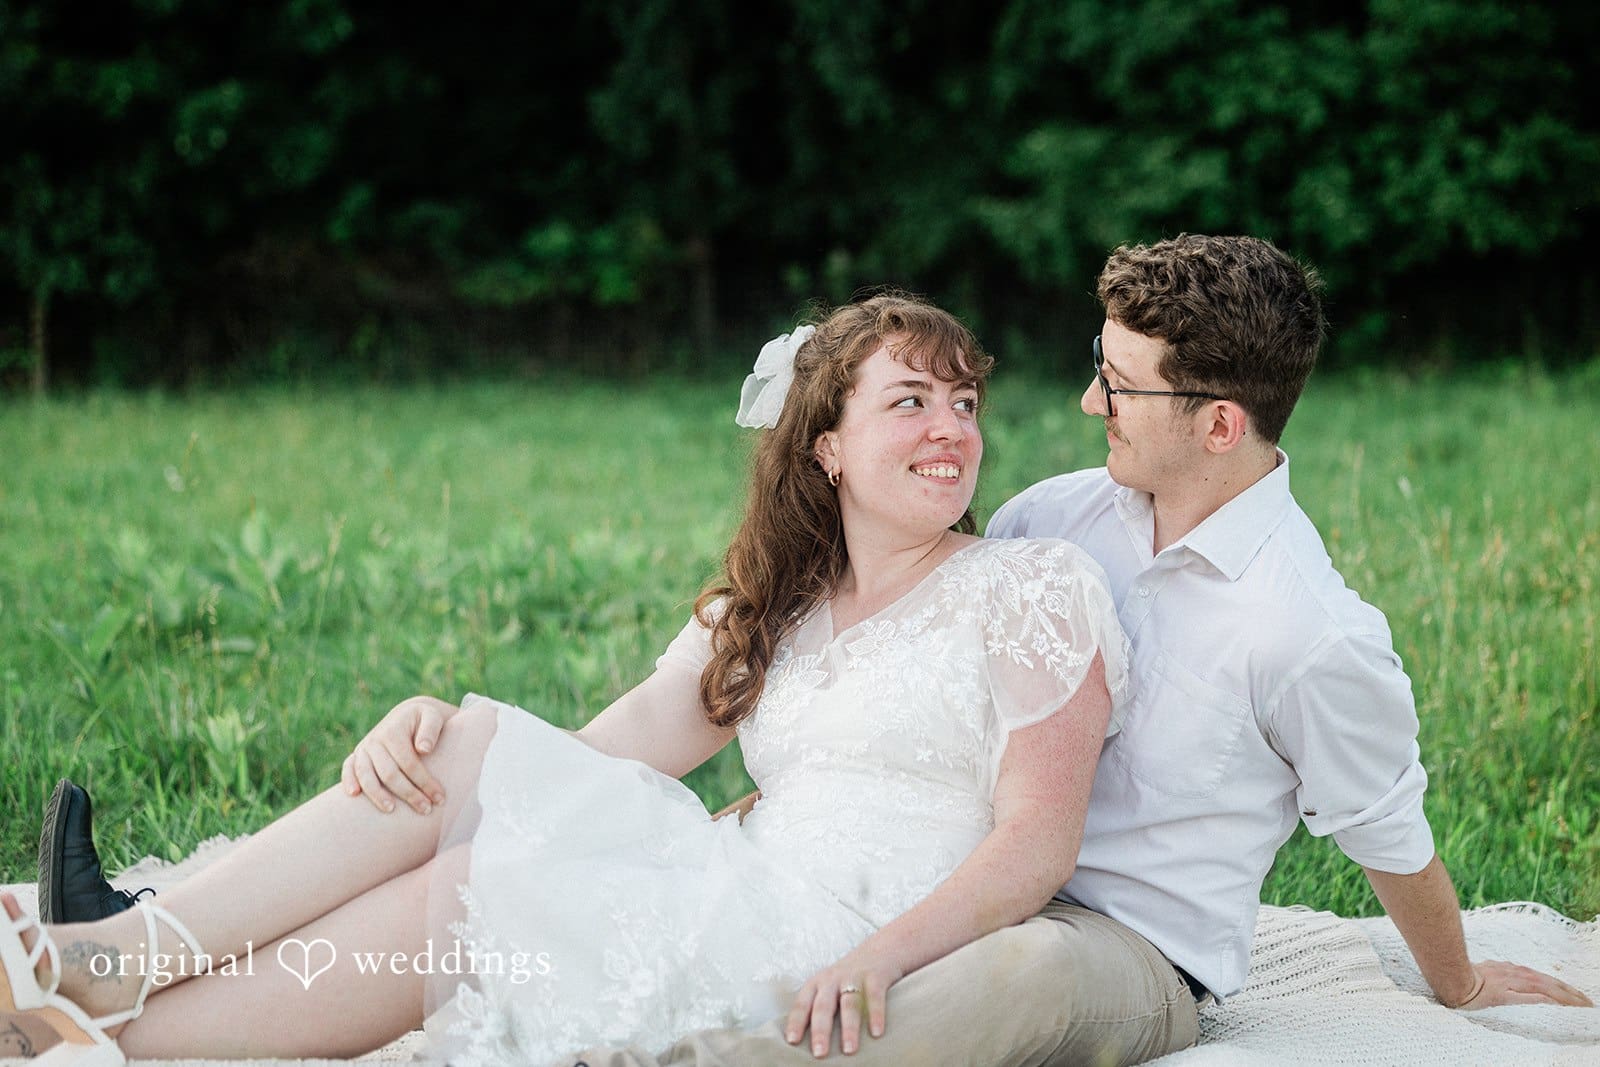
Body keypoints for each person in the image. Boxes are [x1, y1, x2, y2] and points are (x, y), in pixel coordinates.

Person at [430, 234, 1591, 1067]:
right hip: (945, 868)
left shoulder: (1307, 631)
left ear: (1220, 423)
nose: (1089, 400)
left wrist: (1460, 978)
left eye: (1120, 384)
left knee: (1011, 977)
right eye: (1101, 363)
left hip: (1123, 946)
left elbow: (1386, 824)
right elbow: (924, 664)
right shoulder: (1058, 514)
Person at [3, 293, 1133, 1065]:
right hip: (731, 873)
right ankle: (109, 966)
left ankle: (103, 1002)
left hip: (842, 924)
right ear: (827, 445)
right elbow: (589, 758)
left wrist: (877, 956)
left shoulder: (1027, 584)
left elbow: (1035, 840)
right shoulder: (776, 603)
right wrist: (436, 738)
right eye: (911, 402)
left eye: (964, 403)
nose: (952, 430)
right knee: (471, 803)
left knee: (473, 900)